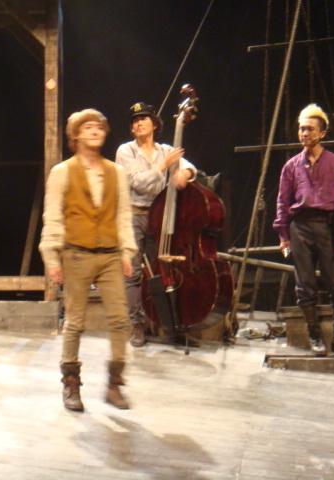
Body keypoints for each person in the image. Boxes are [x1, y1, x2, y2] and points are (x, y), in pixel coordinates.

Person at [39, 108, 137, 412]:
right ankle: (71, 382)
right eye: (87, 127)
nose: (94, 131)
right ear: (76, 135)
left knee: (120, 320)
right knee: (75, 321)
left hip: (109, 254)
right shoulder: (62, 171)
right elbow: (53, 215)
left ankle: (114, 384)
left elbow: (123, 214)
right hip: (76, 253)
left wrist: (127, 251)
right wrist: (52, 257)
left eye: (99, 127)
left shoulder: (116, 172)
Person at [115, 101, 204, 347]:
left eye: (143, 118)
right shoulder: (126, 151)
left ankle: (167, 323)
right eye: (135, 121)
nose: (139, 123)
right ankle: (137, 325)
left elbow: (190, 167)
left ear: (154, 124)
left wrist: (184, 174)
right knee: (133, 274)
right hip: (134, 216)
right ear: (131, 128)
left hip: (160, 217)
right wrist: (164, 166)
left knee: (162, 271)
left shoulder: (166, 149)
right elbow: (139, 183)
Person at [273, 103, 334, 357]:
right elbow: (282, 202)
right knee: (305, 285)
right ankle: (315, 335)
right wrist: (283, 235)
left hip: (328, 226)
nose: (304, 133)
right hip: (300, 227)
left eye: (309, 129)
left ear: (322, 133)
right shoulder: (291, 166)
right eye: (301, 129)